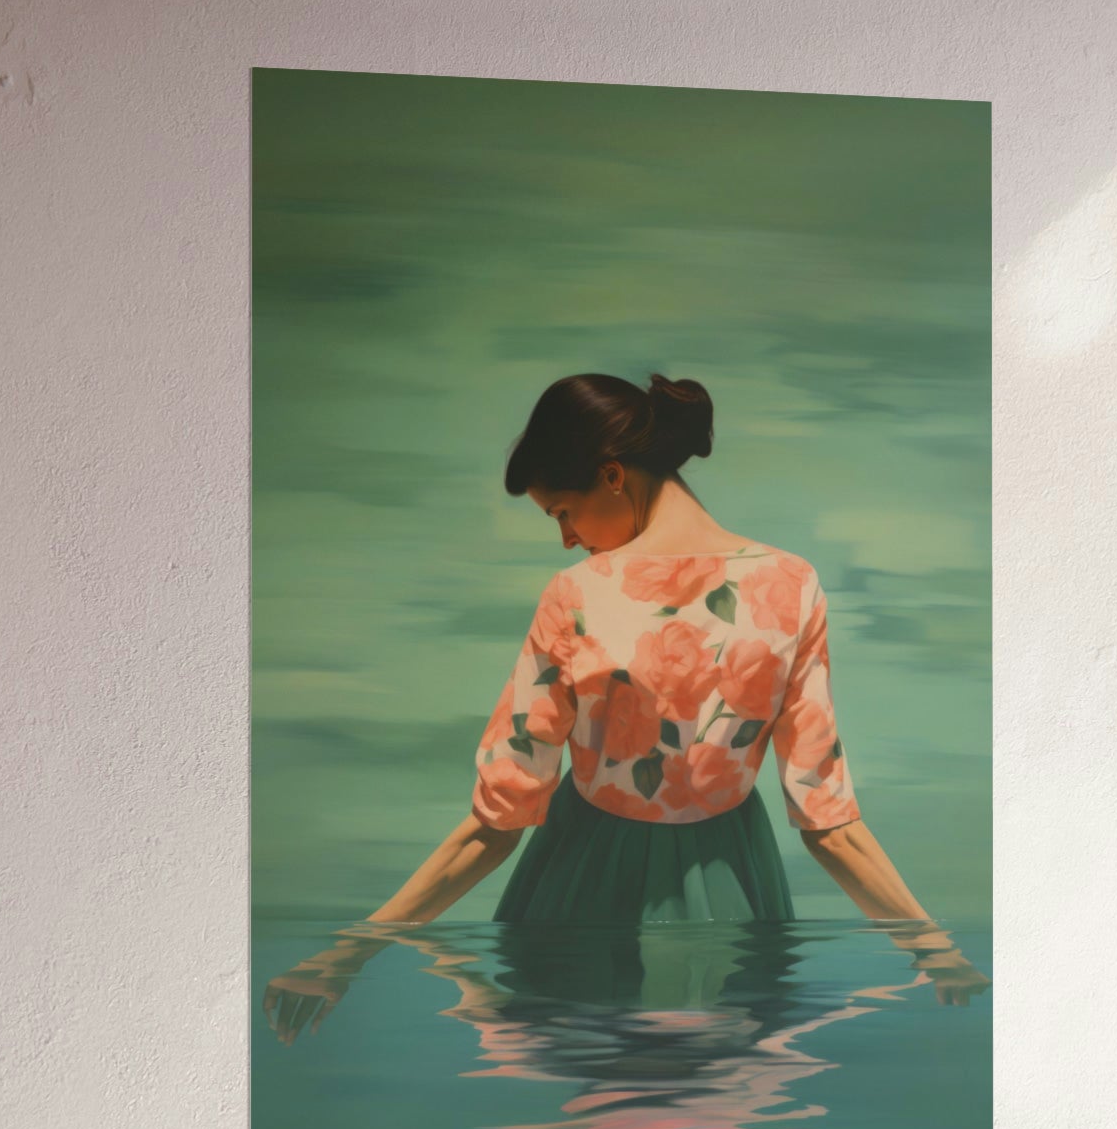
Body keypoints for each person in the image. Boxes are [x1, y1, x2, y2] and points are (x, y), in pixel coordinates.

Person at [264, 372, 987, 1029]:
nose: (566, 539)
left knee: (580, 1094)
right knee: (721, 1093)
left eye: (564, 512)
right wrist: (935, 951)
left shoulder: (578, 596)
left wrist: (347, 955)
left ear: (613, 475)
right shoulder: (792, 586)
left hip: (578, 880)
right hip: (734, 878)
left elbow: (496, 823)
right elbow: (830, 822)